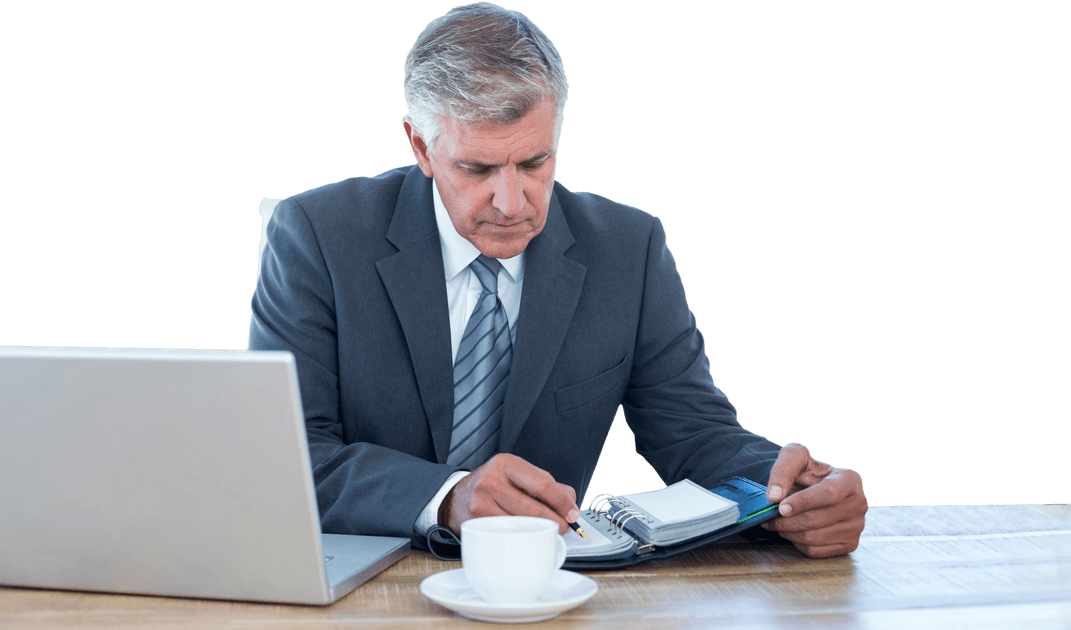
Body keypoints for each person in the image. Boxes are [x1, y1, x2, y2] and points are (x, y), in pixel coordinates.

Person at [248, 2, 866, 558]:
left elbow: (694, 434)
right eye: (478, 167)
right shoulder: (316, 236)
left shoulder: (629, 250)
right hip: (358, 584)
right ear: (420, 146)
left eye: (534, 161)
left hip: (550, 588)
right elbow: (290, 454)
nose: (512, 201)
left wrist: (786, 489)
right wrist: (448, 496)